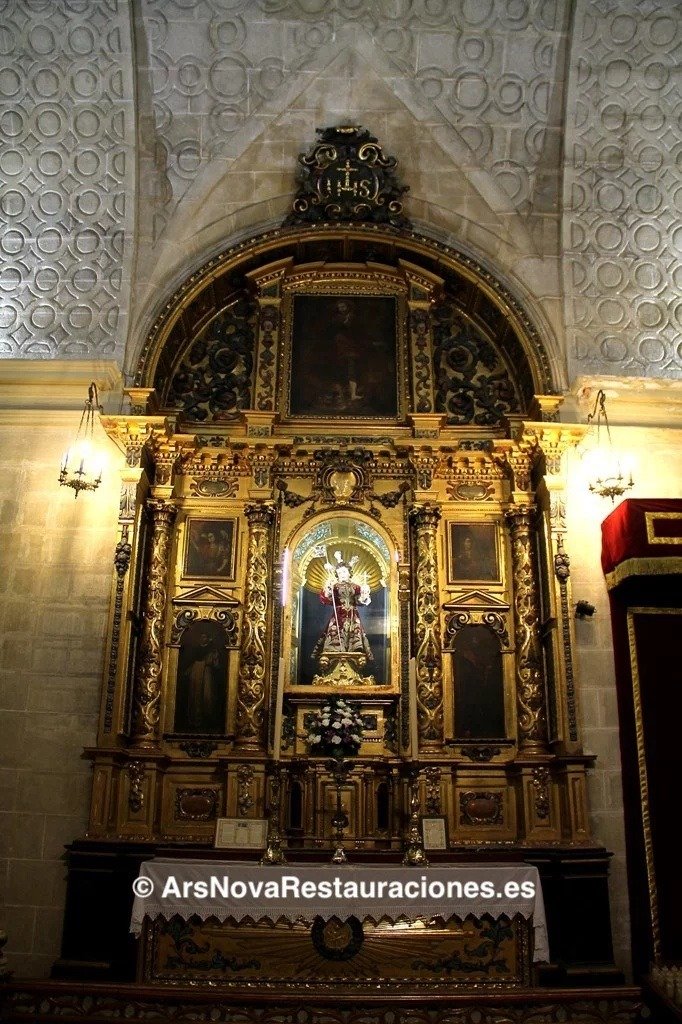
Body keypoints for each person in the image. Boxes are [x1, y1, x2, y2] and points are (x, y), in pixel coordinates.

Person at [311, 552, 373, 665]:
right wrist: (328, 589)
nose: (342, 574)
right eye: (339, 572)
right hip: (338, 614)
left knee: (354, 634)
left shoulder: (355, 586)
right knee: (335, 633)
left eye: (344, 571)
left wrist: (364, 595)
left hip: (353, 615)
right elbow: (326, 599)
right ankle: (336, 654)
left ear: (349, 573)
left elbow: (360, 600)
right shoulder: (334, 586)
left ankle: (353, 653)